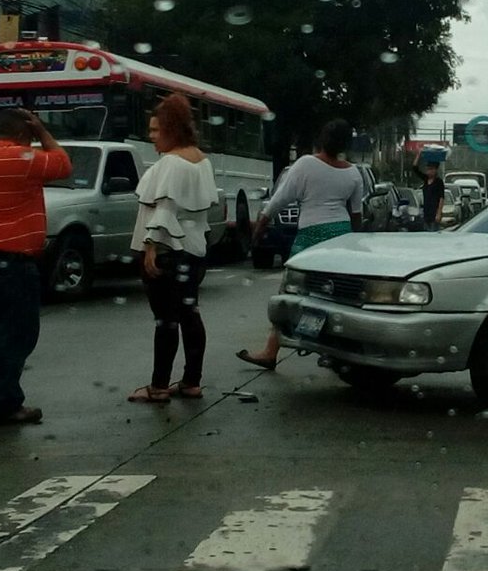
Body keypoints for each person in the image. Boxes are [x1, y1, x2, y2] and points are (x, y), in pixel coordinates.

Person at [0, 108, 72, 426]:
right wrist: (43, 131)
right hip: (8, 264)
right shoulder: (20, 158)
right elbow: (63, 164)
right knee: (13, 336)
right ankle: (5, 403)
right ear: (24, 135)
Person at [237, 119, 363, 370]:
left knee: (291, 293)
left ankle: (271, 351)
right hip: (341, 236)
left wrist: (259, 229)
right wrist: (355, 245)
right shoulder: (353, 173)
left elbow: (278, 200)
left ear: (322, 139)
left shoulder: (305, 164)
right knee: (335, 298)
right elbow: (357, 215)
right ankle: (335, 353)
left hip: (311, 237)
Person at [127, 94, 220, 403]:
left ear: (171, 128)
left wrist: (150, 247)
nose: (151, 136)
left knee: (165, 320)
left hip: (167, 252)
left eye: (156, 130)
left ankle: (158, 386)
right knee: (189, 314)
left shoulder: (171, 163)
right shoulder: (202, 161)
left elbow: (164, 209)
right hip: (193, 252)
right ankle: (191, 381)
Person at [413, 160, 445, 232]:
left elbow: (441, 198)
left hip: (434, 213)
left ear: (435, 170)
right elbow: (415, 168)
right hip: (426, 213)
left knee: (433, 234)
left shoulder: (439, 182)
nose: (429, 171)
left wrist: (439, 213)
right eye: (428, 169)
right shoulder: (426, 179)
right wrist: (418, 155)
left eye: (431, 169)